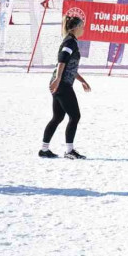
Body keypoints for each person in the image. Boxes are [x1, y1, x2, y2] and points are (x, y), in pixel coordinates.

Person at [40, 16, 91, 159]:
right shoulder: (70, 41)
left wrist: (82, 80)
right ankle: (69, 151)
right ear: (75, 27)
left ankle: (44, 149)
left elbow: (70, 66)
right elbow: (62, 60)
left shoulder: (71, 40)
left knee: (57, 117)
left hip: (60, 83)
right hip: (62, 84)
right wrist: (57, 79)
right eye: (82, 26)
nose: (83, 29)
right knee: (75, 116)